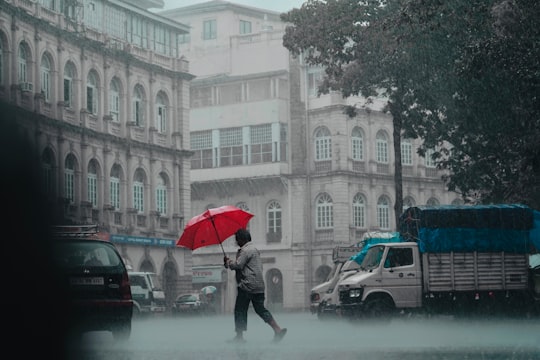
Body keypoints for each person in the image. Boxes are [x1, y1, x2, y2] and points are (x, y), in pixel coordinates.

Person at [224, 228, 287, 343]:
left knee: (240, 310)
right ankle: (277, 329)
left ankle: (239, 337)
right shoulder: (255, 249)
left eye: (237, 239)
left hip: (247, 286)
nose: (236, 242)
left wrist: (228, 262)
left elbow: (238, 265)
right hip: (259, 286)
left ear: (242, 239)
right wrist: (229, 263)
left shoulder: (246, 250)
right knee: (260, 309)